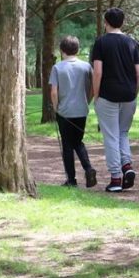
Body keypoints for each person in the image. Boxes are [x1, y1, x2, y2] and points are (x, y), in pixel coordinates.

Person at [91, 7, 139, 192]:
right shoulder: (132, 43)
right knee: (123, 133)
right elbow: (138, 73)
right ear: (122, 22)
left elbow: (98, 72)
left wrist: (96, 94)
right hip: (129, 94)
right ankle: (126, 165)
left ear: (106, 23)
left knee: (111, 136)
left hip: (108, 94)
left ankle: (115, 178)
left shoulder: (101, 43)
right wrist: (133, 92)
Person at [49, 35, 97, 188]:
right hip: (81, 111)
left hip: (64, 112)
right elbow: (93, 88)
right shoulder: (86, 66)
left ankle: (71, 179)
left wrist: (56, 108)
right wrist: (87, 101)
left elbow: (54, 92)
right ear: (77, 49)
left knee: (67, 146)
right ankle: (88, 169)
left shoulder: (57, 67)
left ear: (62, 50)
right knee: (78, 142)